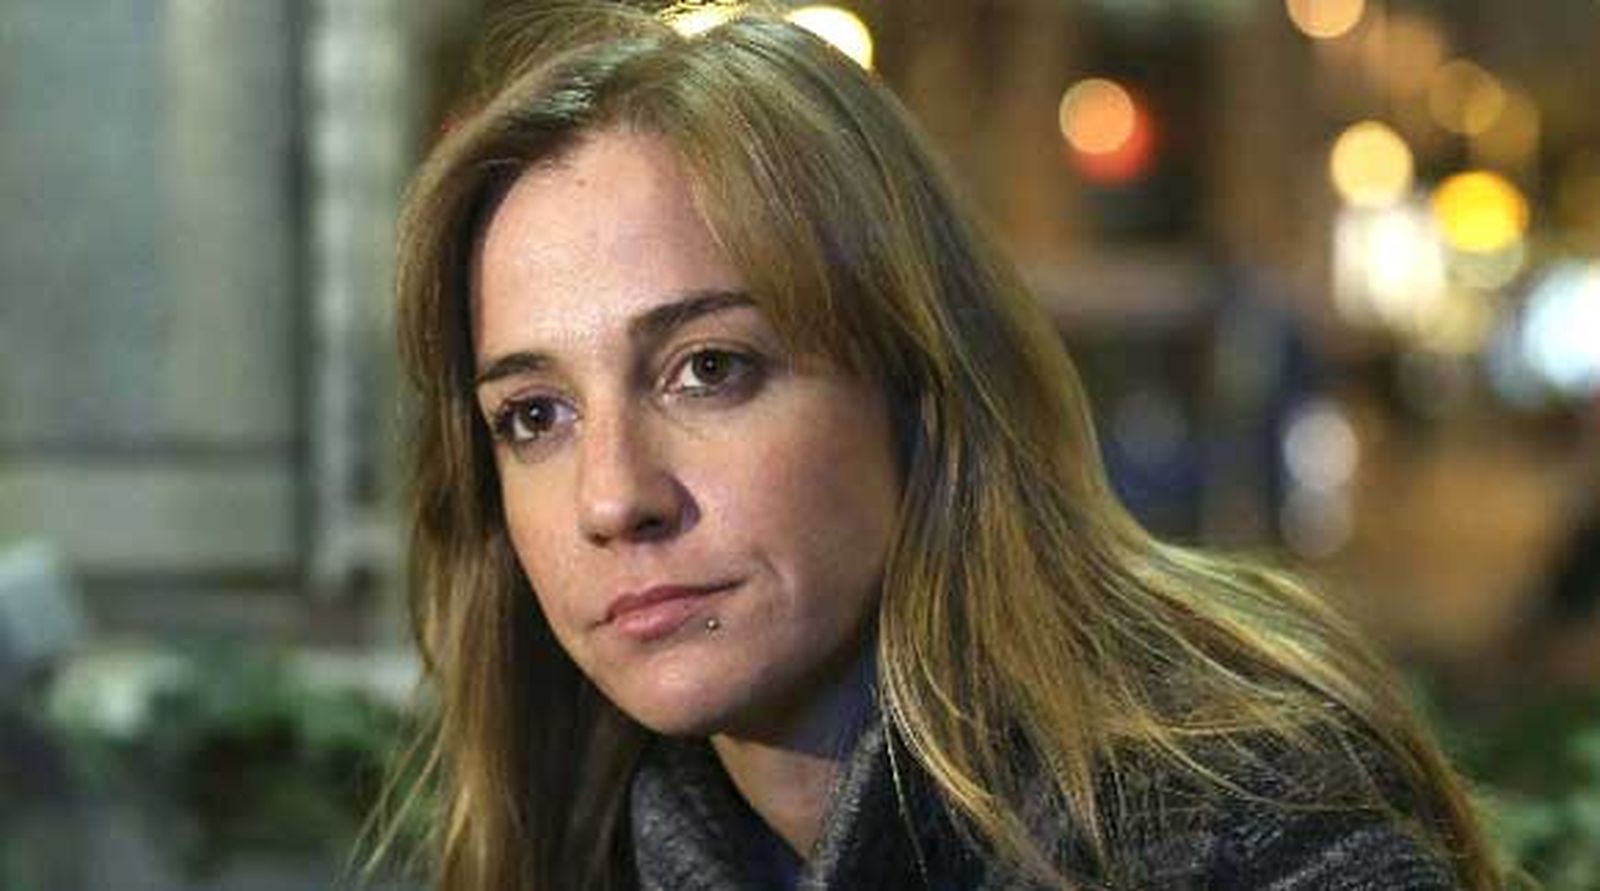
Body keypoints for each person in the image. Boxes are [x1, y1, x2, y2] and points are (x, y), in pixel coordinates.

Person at [385, 3, 1501, 888]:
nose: (612, 497)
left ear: (917, 379)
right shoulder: (567, 846)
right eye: (534, 415)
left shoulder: (1245, 825)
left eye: (709, 368)